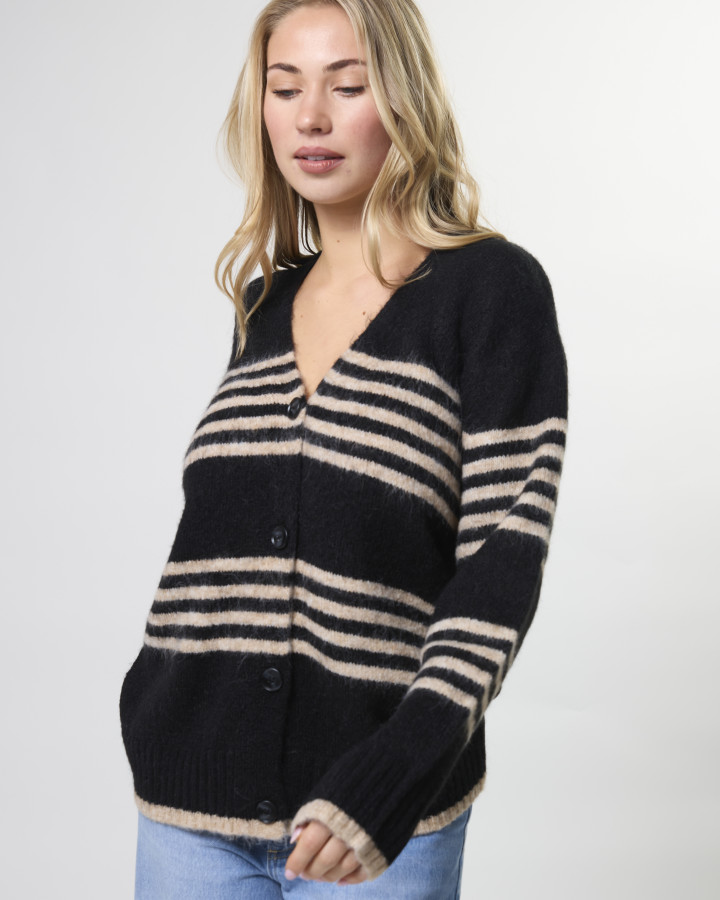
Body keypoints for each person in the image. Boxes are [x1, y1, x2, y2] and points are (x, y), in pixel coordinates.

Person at [119, 0, 569, 897]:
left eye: (347, 86)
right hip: (187, 807)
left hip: (375, 828)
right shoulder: (264, 304)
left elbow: (502, 561)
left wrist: (399, 769)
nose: (311, 118)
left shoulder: (490, 290)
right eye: (285, 89)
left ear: (402, 99)